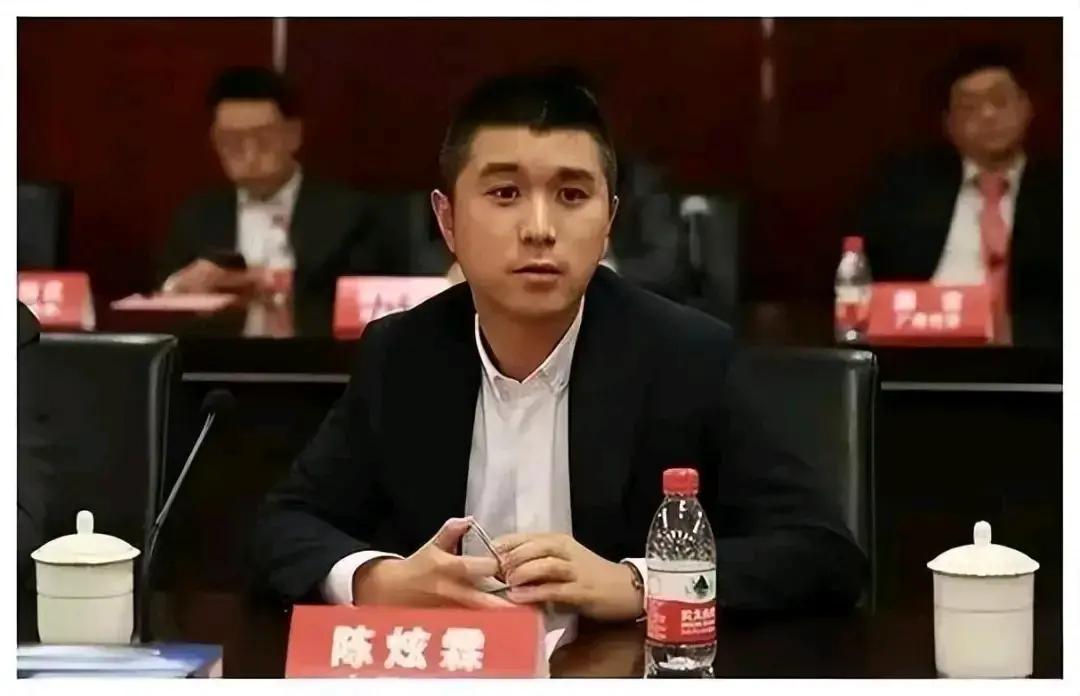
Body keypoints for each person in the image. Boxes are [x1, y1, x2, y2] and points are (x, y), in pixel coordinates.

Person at [253, 69, 864, 640]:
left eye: (572, 195)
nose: (540, 228)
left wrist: (639, 583)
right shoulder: (401, 355)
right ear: (447, 219)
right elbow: (284, 525)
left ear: (609, 221)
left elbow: (823, 551)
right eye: (505, 193)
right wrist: (376, 581)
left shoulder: (685, 356)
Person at [858, 46, 1062, 344]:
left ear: (1026, 107)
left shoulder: (1059, 190)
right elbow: (862, 278)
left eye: (1000, 101)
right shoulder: (907, 185)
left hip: (1027, 354)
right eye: (969, 107)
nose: (988, 115)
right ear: (949, 125)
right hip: (921, 345)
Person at [157, 66, 399, 310]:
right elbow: (164, 289)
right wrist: (178, 285)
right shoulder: (196, 215)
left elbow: (367, 300)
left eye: (262, 138)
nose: (250, 154)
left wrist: (272, 283)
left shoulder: (349, 213)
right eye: (232, 140)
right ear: (215, 141)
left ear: (294, 134)